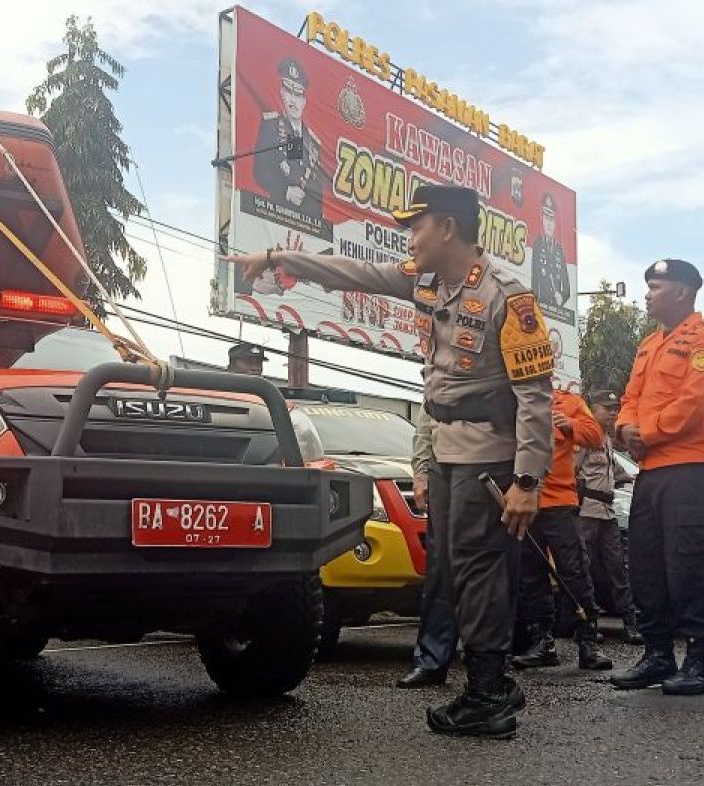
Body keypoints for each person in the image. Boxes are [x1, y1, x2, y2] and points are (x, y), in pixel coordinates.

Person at [227, 185, 555, 738]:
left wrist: (526, 480)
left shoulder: (508, 297)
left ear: (447, 228)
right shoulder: (427, 280)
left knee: (478, 573)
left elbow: (535, 397)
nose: (410, 237)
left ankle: (490, 693)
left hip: (488, 459)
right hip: (448, 451)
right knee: (453, 569)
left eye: (416, 225)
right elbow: (351, 273)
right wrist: (278, 259)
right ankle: (493, 682)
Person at [609, 259, 704, 696]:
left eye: (655, 286)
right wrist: (625, 430)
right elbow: (630, 396)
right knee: (647, 564)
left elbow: (693, 404)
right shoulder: (648, 344)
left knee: (689, 564)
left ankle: (700, 663)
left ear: (682, 291)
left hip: (692, 468)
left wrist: (646, 433)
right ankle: (658, 654)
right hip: (653, 470)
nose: (647, 294)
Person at [513, 388, 613, 671]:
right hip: (524, 501)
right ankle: (542, 643)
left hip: (560, 502)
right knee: (530, 575)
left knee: (575, 571)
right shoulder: (514, 398)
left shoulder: (568, 401)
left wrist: (570, 425)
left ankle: (588, 642)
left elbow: (594, 434)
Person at [396, 407, 459, 688]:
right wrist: (421, 473)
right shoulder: (439, 369)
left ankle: (492, 667)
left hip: (491, 467)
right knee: (441, 571)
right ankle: (431, 661)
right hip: (444, 470)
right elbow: (425, 425)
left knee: (491, 570)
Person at [575, 390, 642, 645]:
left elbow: (615, 471)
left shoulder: (606, 440)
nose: (613, 413)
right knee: (584, 569)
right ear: (593, 409)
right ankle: (586, 626)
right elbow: (571, 472)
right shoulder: (585, 438)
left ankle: (629, 623)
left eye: (616, 408)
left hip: (608, 513)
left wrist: (633, 477)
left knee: (617, 569)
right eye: (608, 408)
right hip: (587, 512)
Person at [252, 58, 323, 218]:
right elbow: (260, 170)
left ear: (304, 101)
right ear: (281, 93)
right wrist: (286, 191)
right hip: (276, 216)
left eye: (298, 94)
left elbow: (318, 193)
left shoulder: (313, 142)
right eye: (288, 91)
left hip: (308, 226)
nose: (292, 100)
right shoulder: (271, 126)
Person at [529, 193, 568, 311]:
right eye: (546, 218)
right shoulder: (538, 244)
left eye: (551, 219)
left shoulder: (559, 250)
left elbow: (566, 282)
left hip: (556, 308)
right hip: (541, 305)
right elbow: (535, 277)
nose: (549, 223)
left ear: (555, 223)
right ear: (542, 220)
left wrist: (562, 297)